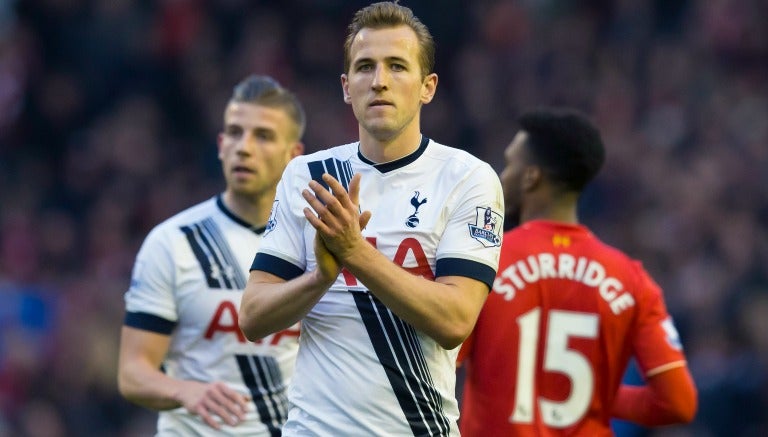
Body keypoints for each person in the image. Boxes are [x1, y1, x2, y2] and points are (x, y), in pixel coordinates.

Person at [238, 2, 504, 435]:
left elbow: (455, 320)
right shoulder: (309, 176)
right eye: (365, 68)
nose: (379, 81)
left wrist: (354, 253)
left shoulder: (468, 178)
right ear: (346, 86)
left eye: (397, 66)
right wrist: (318, 279)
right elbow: (252, 316)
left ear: (427, 86)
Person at [457, 108, 698, 436]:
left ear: (531, 177)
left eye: (510, 163)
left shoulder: (486, 260)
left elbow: (438, 368)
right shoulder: (631, 280)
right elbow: (678, 403)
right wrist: (589, 395)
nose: (503, 175)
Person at [117, 75, 305, 436]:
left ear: (294, 155)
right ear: (220, 145)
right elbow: (132, 372)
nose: (244, 147)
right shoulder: (173, 242)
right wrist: (183, 390)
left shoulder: (315, 247)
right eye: (235, 133)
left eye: (263, 136)